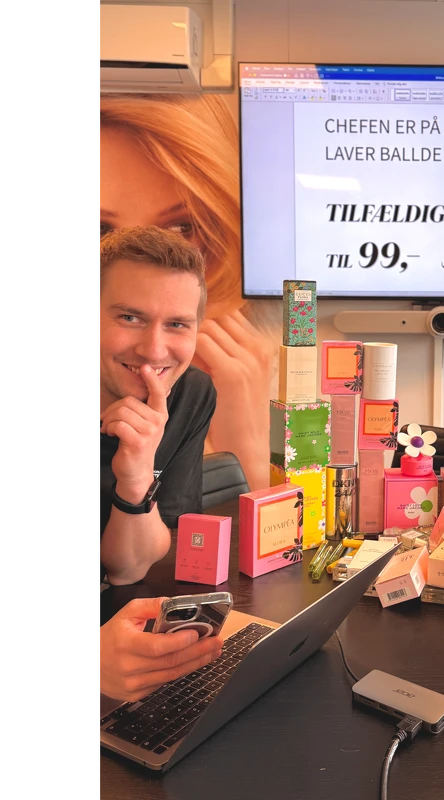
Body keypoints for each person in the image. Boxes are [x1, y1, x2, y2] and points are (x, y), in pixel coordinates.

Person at [97, 93, 281, 492]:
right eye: (100, 231)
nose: (144, 271)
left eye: (181, 228)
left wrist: (245, 442)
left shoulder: (232, 372)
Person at [97, 225, 223, 702]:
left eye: (177, 324)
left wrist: (135, 477)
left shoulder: (189, 392)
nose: (153, 350)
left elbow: (130, 567)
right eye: (129, 317)